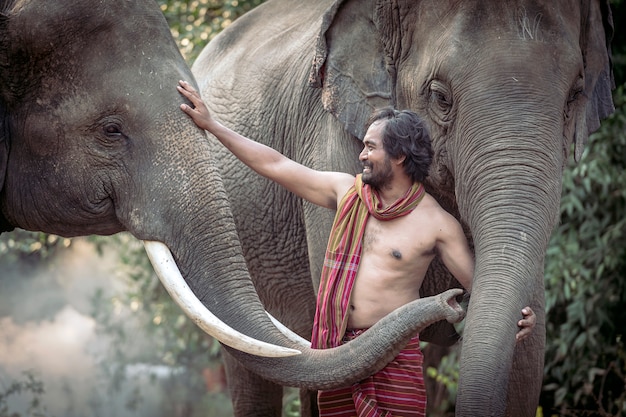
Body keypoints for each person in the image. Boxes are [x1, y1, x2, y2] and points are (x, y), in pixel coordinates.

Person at [177, 80, 536, 416]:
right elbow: (275, 164)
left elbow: (482, 290)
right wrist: (213, 126)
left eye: (370, 147)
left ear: (399, 156)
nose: (362, 155)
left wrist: (519, 315)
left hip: (394, 358)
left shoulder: (437, 224)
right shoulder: (347, 192)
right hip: (338, 355)